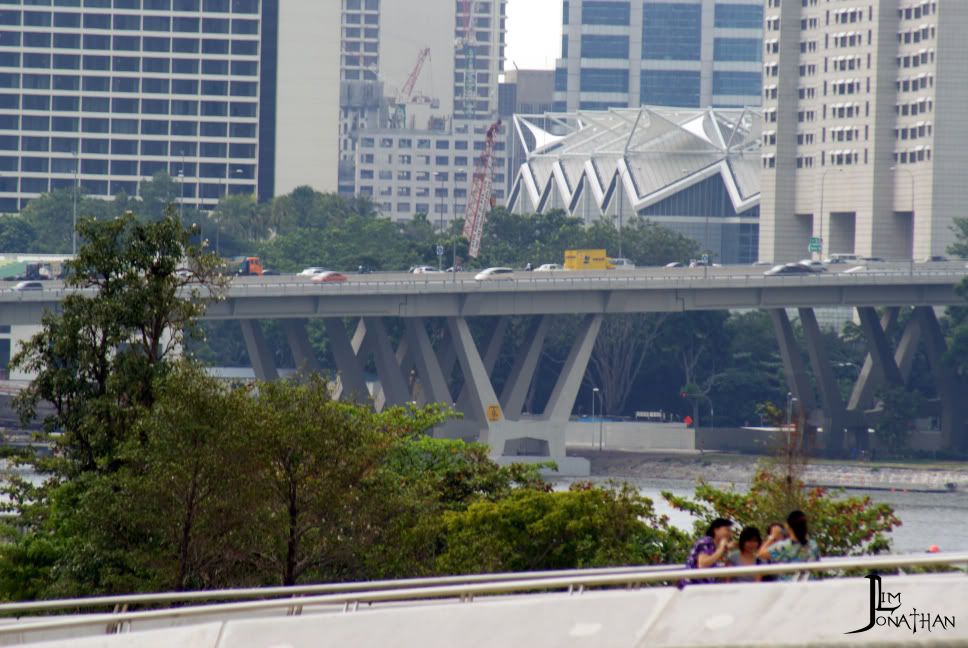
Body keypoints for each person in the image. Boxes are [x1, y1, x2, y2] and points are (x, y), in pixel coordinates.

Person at [758, 510, 820, 581]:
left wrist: (772, 537)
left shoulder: (784, 547)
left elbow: (761, 554)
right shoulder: (813, 545)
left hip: (788, 587)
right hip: (810, 586)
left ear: (788, 526)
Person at [682, 518, 734, 585]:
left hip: (703, 586)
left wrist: (724, 548)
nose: (729, 533)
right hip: (694, 586)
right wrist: (721, 549)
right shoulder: (706, 542)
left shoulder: (713, 545)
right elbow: (702, 564)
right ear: (716, 530)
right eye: (727, 530)